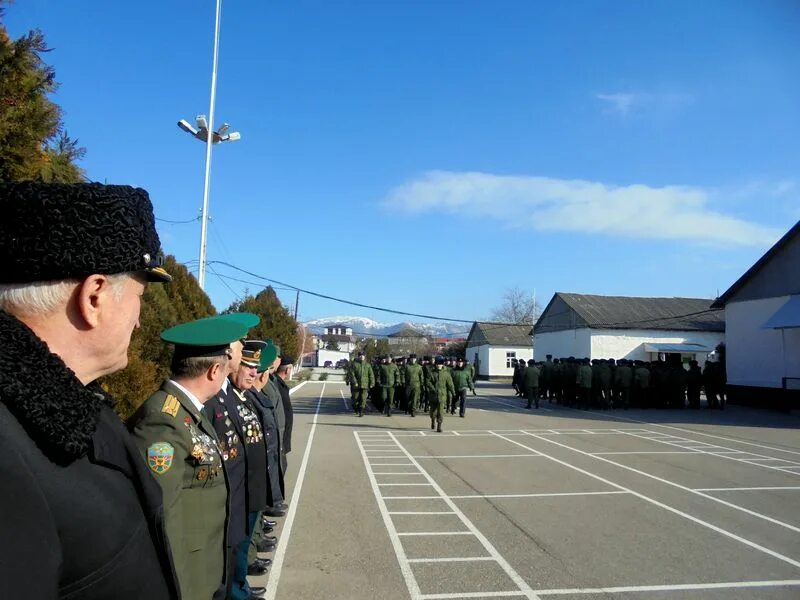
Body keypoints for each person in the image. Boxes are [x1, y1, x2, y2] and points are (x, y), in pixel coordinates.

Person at [0, 182, 179, 599]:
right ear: (94, 296)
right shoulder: (11, 454)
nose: (139, 322)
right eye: (139, 296)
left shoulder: (78, 407)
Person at [129, 315, 251, 600]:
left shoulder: (190, 412)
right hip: (186, 581)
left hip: (205, 569)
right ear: (214, 371)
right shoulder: (163, 420)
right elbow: (162, 519)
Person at [427, 358, 455, 432]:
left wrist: (453, 392)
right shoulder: (431, 373)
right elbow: (428, 382)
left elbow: (450, 384)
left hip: (442, 395)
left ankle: (439, 426)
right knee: (432, 412)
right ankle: (433, 420)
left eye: (440, 364)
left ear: (442, 364)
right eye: (438, 364)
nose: (439, 365)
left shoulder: (446, 373)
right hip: (433, 395)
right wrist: (433, 388)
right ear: (435, 364)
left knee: (440, 412)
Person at [350, 351, 375, 417]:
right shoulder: (355, 364)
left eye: (363, 355)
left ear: (365, 356)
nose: (362, 356)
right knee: (355, 398)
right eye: (360, 355)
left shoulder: (368, 365)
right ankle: (355, 406)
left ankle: (361, 411)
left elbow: (371, 375)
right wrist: (355, 382)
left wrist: (372, 383)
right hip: (357, 385)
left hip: (365, 385)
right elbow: (352, 374)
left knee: (363, 399)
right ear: (358, 356)